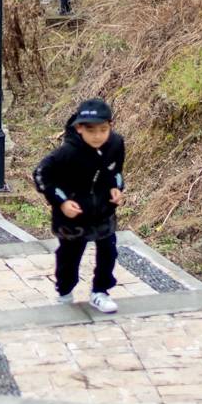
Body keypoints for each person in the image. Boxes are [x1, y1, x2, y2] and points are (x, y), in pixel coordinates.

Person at [32, 99, 126, 314]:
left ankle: (100, 292)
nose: (98, 136)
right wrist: (62, 201)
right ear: (79, 128)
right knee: (70, 255)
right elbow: (40, 175)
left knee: (108, 251)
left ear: (110, 126)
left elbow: (117, 172)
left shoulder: (116, 144)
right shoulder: (66, 153)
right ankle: (65, 291)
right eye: (91, 130)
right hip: (72, 216)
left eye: (104, 129)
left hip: (103, 210)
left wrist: (116, 188)